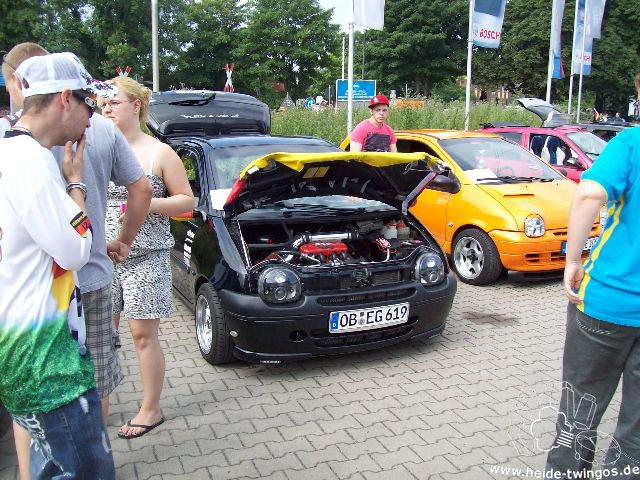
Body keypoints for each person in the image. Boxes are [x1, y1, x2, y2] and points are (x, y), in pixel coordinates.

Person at [2, 43, 152, 479]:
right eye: (89, 102)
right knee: (89, 467)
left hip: (30, 347)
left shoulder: (9, 151)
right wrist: (75, 185)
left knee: (54, 463)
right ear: (64, 98)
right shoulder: (30, 163)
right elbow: (74, 249)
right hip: (47, 362)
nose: (95, 114)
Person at [101, 76, 193, 439]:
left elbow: (187, 200)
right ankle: (100, 406)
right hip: (102, 259)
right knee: (100, 336)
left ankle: (150, 409)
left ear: (136, 105)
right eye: (102, 104)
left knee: (142, 335)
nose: (106, 109)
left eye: (114, 102)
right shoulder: (95, 148)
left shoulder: (159, 152)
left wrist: (147, 203)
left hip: (147, 257)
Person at [546, 126, 640, 479]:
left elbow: (588, 196)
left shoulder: (631, 143)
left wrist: (572, 259)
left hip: (605, 303)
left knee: (579, 409)